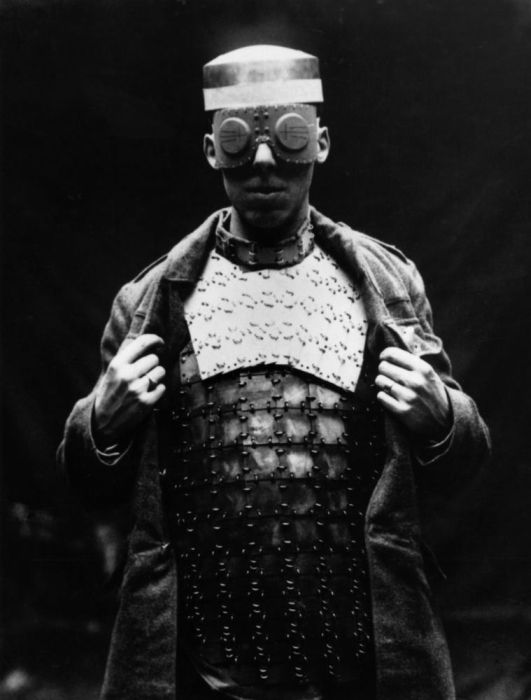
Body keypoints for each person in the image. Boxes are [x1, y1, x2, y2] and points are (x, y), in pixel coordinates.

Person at [59, 45, 490, 700]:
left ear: (320, 142)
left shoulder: (387, 285)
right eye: (240, 140)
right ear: (212, 150)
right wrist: (101, 424)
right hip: (205, 673)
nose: (263, 161)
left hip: (359, 668)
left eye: (287, 136)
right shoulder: (148, 302)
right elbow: (87, 483)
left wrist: (441, 419)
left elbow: (464, 465)